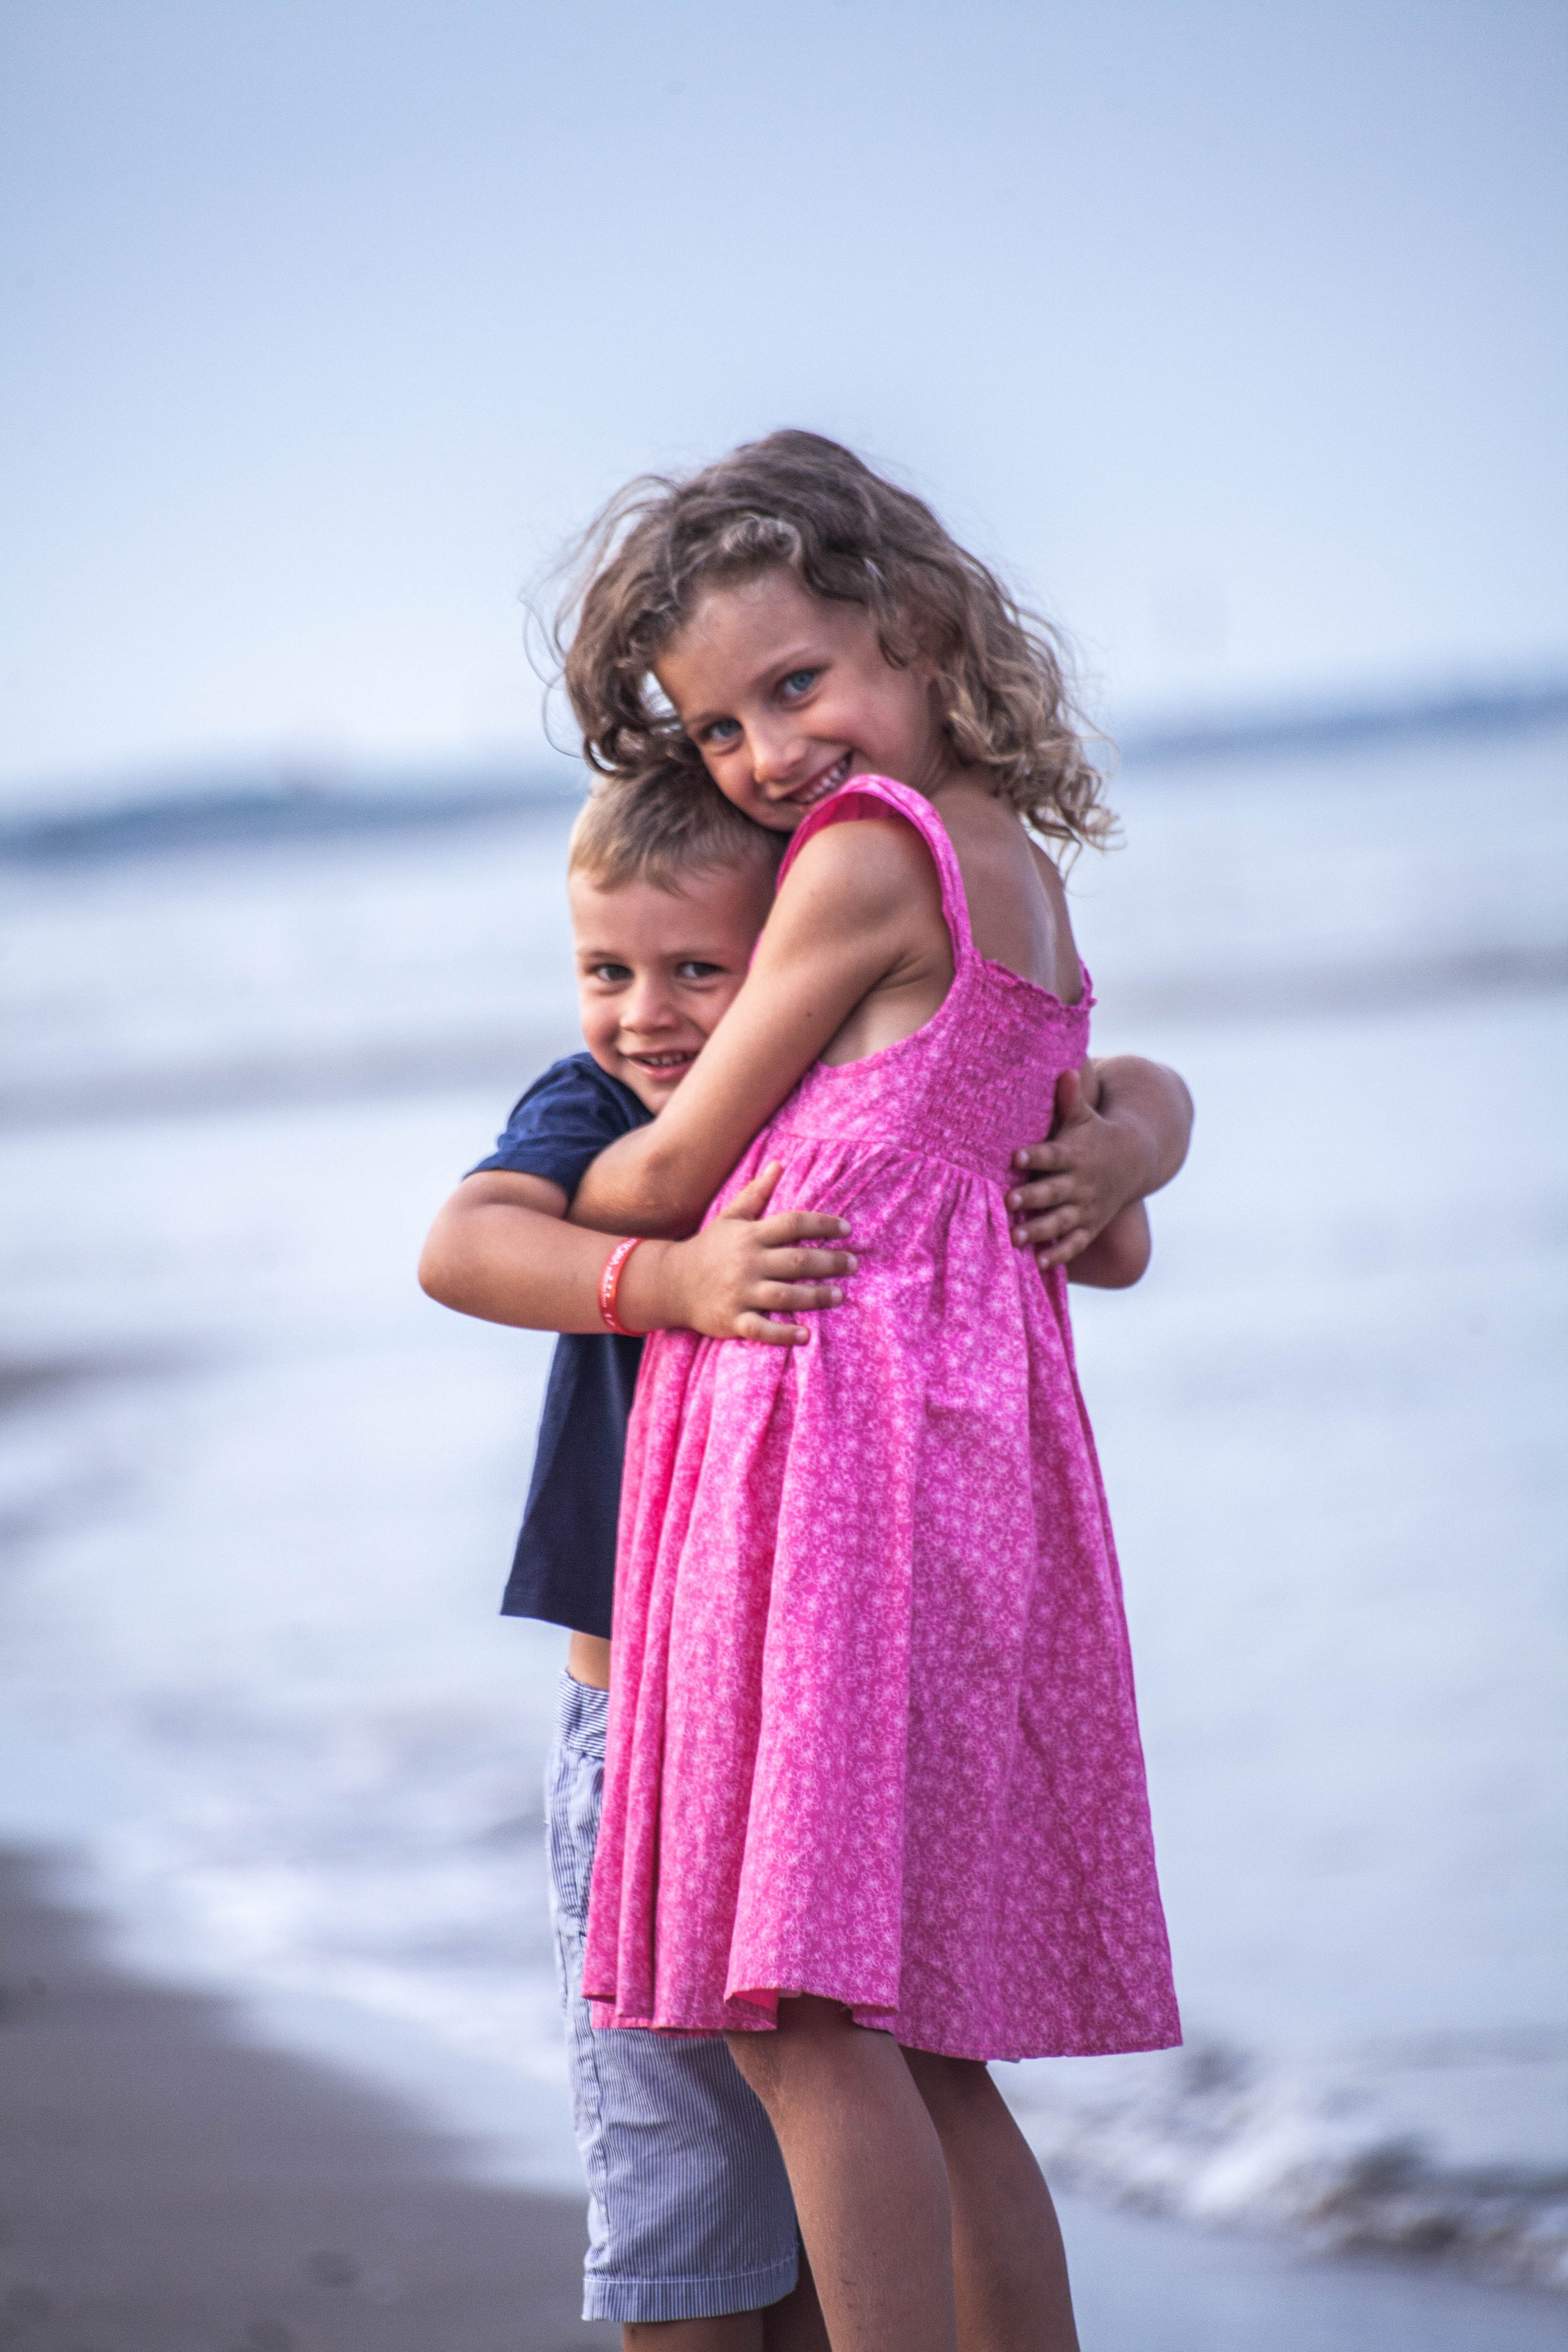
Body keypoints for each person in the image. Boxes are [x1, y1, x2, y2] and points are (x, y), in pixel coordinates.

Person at [420, 760, 1192, 2348]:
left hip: (804, 1701)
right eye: (604, 969)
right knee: (691, 2201)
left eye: (701, 969)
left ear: (797, 960)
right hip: (646, 1716)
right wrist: (668, 1281)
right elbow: (464, 1247)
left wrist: (1141, 1142)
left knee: (839, 2107)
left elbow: (1116, 1086)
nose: (646, 1013)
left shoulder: (851, 1098)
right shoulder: (603, 1111)